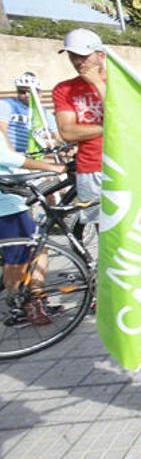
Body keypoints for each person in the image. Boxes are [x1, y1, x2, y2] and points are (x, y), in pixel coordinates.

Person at [1, 131, 65, 326]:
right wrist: (51, 167)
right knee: (19, 256)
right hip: (5, 203)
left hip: (12, 198)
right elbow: (7, 158)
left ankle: (35, 298)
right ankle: (17, 304)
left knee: (38, 246)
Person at [52, 29, 106, 227]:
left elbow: (126, 121)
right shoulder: (64, 89)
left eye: (83, 55)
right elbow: (67, 132)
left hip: (125, 164)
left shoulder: (120, 82)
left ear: (101, 55)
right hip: (90, 167)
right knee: (104, 232)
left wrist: (98, 84)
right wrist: (110, 127)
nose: (78, 62)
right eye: (73, 56)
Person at [0, 72, 59, 153]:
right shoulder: (7, 104)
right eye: (22, 92)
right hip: (11, 154)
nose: (27, 95)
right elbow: (2, 130)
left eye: (30, 91)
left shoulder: (44, 112)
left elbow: (58, 136)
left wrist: (60, 144)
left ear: (39, 94)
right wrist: (11, 152)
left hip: (33, 154)